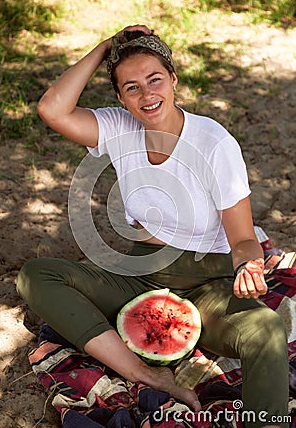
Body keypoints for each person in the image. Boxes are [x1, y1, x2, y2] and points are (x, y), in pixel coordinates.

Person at [17, 24, 289, 428]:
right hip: (140, 273)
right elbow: (51, 108)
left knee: (266, 330)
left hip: (207, 281)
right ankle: (144, 372)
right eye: (131, 88)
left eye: (155, 79)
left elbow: (245, 238)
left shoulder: (214, 143)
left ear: (174, 79)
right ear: (120, 97)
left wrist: (248, 265)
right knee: (36, 275)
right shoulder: (118, 127)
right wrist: (106, 46)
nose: (147, 95)